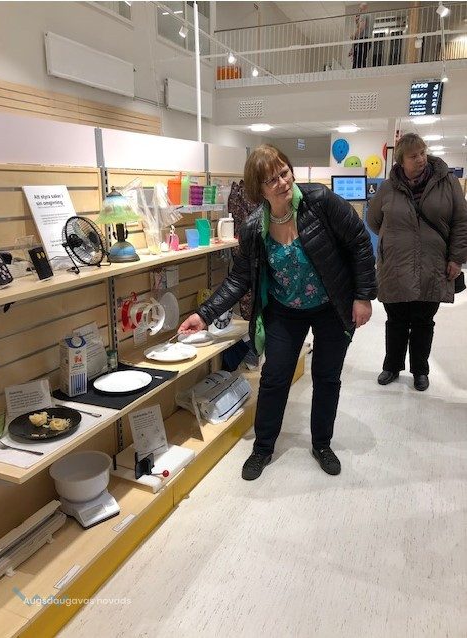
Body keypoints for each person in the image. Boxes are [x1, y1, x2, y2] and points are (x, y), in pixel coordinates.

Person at [178, 145, 376, 480]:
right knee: (274, 378)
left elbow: (359, 242)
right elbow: (239, 278)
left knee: (327, 377)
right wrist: (204, 315)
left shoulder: (320, 202)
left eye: (284, 172)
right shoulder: (254, 227)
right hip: (285, 310)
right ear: (259, 189)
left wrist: (363, 296)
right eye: (272, 180)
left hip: (331, 306)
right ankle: (263, 448)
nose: (283, 182)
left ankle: (322, 444)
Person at [367, 133, 467, 391]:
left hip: (432, 265)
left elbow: (461, 222)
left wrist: (457, 258)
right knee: (396, 320)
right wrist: (396, 239)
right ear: (401, 161)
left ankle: (420, 371)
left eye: (422, 153)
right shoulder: (387, 188)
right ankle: (391, 367)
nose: (421, 159)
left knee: (424, 321)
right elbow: (374, 221)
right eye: (413, 156)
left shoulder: (448, 183)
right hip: (396, 265)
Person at [350, 2, 372, 69]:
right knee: (360, 59)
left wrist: (354, 35)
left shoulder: (364, 15)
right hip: (366, 41)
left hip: (363, 40)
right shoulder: (369, 17)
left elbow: (362, 27)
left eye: (359, 9)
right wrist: (352, 49)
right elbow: (360, 27)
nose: (359, 11)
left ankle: (356, 72)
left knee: (358, 60)